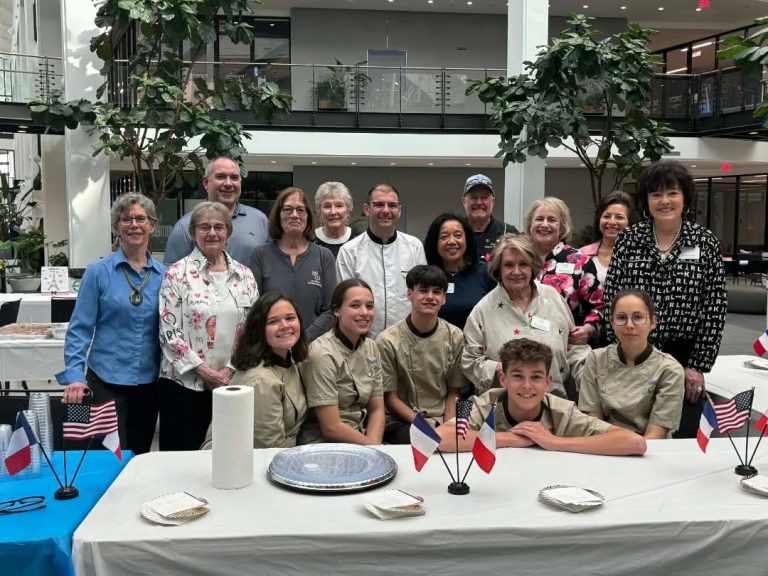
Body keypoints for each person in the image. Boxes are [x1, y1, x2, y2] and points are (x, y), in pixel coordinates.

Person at [603, 160, 727, 439]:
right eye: (656, 194)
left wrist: (697, 365)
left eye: (672, 193)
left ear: (685, 197)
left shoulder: (703, 242)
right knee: (632, 436)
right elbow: (612, 297)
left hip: (685, 359)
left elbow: (714, 308)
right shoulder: (629, 239)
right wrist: (621, 353)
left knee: (683, 440)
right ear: (646, 200)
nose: (664, 201)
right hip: (634, 353)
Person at [57, 193, 163, 454]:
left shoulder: (166, 276)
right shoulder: (98, 272)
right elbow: (80, 329)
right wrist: (74, 376)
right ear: (116, 227)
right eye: (126, 219)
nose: (134, 225)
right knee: (108, 456)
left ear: (152, 225)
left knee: (139, 455)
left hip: (149, 384)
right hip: (105, 381)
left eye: (141, 219)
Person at [158, 201, 259, 450]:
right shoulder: (176, 274)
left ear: (228, 232)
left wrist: (229, 370)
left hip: (233, 382)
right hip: (185, 386)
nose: (212, 232)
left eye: (219, 227)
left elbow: (254, 328)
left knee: (229, 454)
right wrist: (204, 371)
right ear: (193, 233)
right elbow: (168, 330)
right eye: (204, 227)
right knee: (182, 461)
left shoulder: (245, 275)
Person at [438, 339, 647, 456]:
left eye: (536, 377)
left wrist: (554, 442)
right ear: (503, 378)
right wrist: (512, 439)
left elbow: (635, 443)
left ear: (548, 382)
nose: (527, 386)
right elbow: (440, 437)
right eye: (518, 376)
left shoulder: (564, 410)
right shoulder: (482, 401)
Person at [462, 234, 575, 398]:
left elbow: (574, 346)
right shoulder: (483, 310)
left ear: (533, 266)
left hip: (553, 404)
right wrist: (502, 368)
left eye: (523, 264)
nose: (517, 271)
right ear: (498, 269)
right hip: (502, 407)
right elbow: (469, 362)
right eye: (508, 265)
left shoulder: (553, 298)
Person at [201, 292, 309, 449]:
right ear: (259, 329)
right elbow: (270, 448)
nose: (285, 325)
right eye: (273, 321)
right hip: (239, 463)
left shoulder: (289, 360)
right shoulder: (261, 381)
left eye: (290, 318)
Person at [376, 265, 466, 444]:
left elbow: (454, 391)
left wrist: (448, 427)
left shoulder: (455, 336)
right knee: (426, 443)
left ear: (444, 298)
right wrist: (426, 427)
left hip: (445, 415)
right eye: (423, 291)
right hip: (404, 420)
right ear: (410, 294)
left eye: (437, 292)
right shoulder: (388, 340)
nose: (430, 297)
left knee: (467, 442)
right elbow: (390, 398)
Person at [578, 289, 684, 439]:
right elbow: (593, 422)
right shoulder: (596, 359)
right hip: (603, 444)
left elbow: (656, 434)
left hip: (648, 449)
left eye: (638, 317)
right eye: (621, 318)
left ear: (653, 322)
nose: (629, 325)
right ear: (612, 322)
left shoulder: (670, 370)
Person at [298, 279, 385, 445]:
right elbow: (331, 427)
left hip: (363, 437)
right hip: (325, 444)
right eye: (355, 305)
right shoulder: (321, 354)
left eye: (369, 306)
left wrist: (375, 446)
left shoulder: (371, 347)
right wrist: (374, 448)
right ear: (336, 311)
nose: (364, 312)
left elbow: (377, 409)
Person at [336, 183, 426, 337]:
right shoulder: (349, 251)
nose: (386, 210)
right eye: (379, 205)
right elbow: (344, 303)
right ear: (367, 209)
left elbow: (422, 296)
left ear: (399, 210)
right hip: (363, 342)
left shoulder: (414, 247)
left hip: (406, 341)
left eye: (392, 205)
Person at [249, 187, 336, 341]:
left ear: (308, 216)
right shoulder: (260, 256)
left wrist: (302, 340)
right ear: (278, 215)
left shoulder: (324, 256)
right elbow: (255, 307)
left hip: (314, 348)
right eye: (288, 209)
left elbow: (329, 310)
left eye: (301, 210)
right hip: (272, 347)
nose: (295, 215)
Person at [525, 197, 603, 346]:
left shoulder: (580, 261)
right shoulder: (519, 257)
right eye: (539, 219)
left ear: (562, 227)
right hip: (520, 342)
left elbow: (599, 307)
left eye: (552, 220)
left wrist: (588, 329)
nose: (544, 224)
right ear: (530, 225)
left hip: (564, 345)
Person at [163, 157, 269, 265]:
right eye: (221, 177)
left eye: (234, 178)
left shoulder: (260, 220)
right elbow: (171, 275)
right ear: (206, 182)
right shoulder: (185, 225)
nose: (228, 183)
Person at [424, 213, 496, 329]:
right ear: (435, 242)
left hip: (476, 344)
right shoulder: (426, 276)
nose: (452, 241)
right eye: (444, 237)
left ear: (467, 239)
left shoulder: (486, 273)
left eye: (458, 235)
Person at [579, 191, 635, 285]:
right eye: (607, 216)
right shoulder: (582, 254)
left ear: (630, 223)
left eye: (619, 217)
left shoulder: (640, 255)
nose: (612, 222)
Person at [461, 174, 518, 262]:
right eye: (474, 197)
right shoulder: (454, 233)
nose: (479, 202)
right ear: (464, 201)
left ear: (493, 201)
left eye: (484, 197)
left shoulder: (509, 232)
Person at [313, 181, 362, 257]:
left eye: (339, 206)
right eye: (327, 206)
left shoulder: (360, 240)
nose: (333, 212)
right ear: (319, 211)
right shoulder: (309, 240)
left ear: (348, 210)